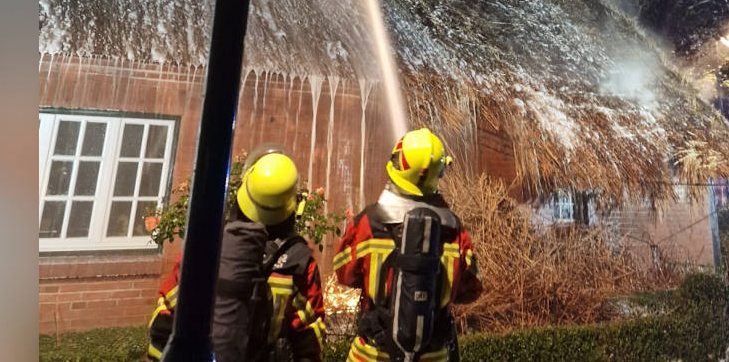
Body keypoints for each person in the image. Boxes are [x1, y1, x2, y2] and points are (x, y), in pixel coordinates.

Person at [146, 144, 326, 362]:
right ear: (293, 206)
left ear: (243, 193)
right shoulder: (299, 263)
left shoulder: (206, 246)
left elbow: (165, 318)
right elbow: (309, 338)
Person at [333, 128, 482, 362]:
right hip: (432, 356)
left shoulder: (368, 223)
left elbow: (343, 275)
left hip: (371, 355)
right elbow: (471, 289)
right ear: (437, 174)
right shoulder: (454, 230)